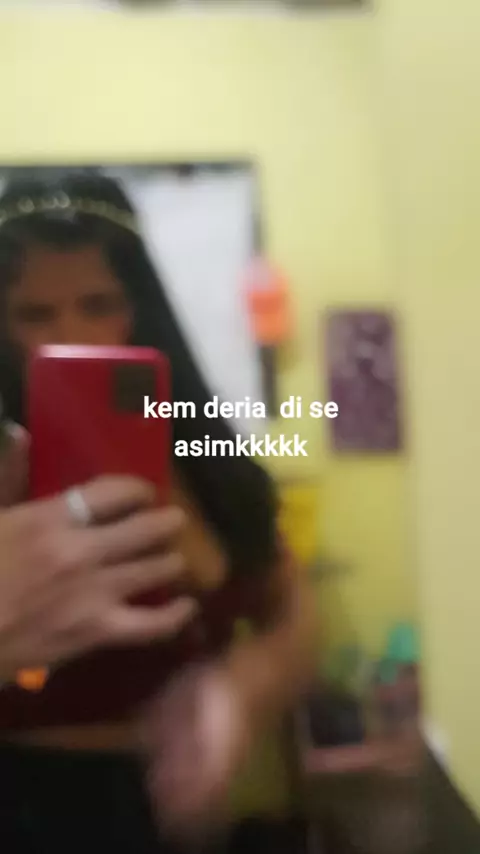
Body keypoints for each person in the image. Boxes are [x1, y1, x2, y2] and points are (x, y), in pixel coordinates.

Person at [0, 171, 315, 853]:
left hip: (171, 815)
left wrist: (245, 685)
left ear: (139, 308)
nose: (72, 335)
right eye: (34, 314)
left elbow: (290, 607)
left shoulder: (202, 451)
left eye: (99, 303)